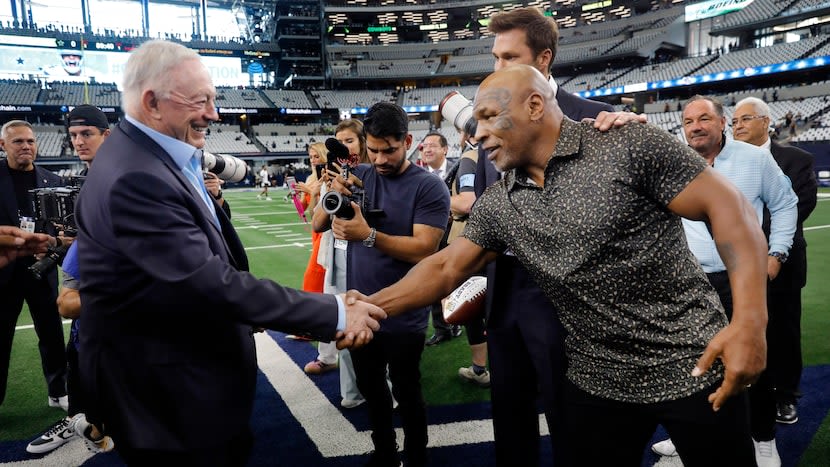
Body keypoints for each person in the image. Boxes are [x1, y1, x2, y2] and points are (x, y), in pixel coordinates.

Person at [356, 64, 769, 466]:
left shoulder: (625, 142)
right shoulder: (502, 202)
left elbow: (731, 209)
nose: (477, 132)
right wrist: (364, 308)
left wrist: (749, 322)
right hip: (596, 382)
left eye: (488, 117)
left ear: (535, 106)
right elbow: (445, 267)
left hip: (692, 364)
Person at [73, 40, 384, 465]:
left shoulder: (146, 158)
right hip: (172, 393)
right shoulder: (136, 176)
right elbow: (205, 283)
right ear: (153, 102)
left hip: (175, 375)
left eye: (213, 100)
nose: (214, 113)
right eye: (201, 101)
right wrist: (334, 314)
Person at [475, 7, 645, 466]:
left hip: (570, 299)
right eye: (494, 58)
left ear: (543, 60)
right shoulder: (489, 121)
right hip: (505, 290)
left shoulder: (598, 120)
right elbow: (486, 216)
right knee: (510, 425)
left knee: (576, 425)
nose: (497, 69)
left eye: (509, 58)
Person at [651, 95, 798, 467]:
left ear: (722, 123)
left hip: (742, 281)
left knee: (753, 362)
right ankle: (691, 435)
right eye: (688, 122)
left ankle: (763, 438)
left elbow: (785, 204)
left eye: (703, 119)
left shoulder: (755, 159)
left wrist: (776, 254)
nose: (695, 127)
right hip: (691, 284)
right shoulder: (671, 163)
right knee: (693, 363)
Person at [328, 102, 450, 466]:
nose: (379, 159)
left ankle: (416, 456)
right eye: (373, 149)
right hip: (359, 309)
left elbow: (424, 250)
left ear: (407, 141)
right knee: (371, 389)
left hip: (404, 311)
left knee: (407, 390)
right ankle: (384, 451)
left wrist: (368, 235)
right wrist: (332, 192)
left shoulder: (429, 187)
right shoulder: (359, 174)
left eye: (389, 150)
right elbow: (320, 223)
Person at [26, 105, 116, 455]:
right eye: (74, 135)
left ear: (106, 136)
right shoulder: (85, 180)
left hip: (121, 291)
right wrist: (59, 245)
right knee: (79, 349)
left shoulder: (122, 178)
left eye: (87, 134)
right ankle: (85, 420)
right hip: (91, 285)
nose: (78, 141)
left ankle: (94, 422)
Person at [732, 96, 818, 426]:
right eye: (734, 121)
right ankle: (742, 389)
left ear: (767, 121)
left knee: (783, 330)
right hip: (733, 263)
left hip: (780, 263)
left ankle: (785, 395)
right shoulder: (724, 161)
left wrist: (750, 236)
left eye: (745, 119)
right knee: (737, 326)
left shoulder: (797, 159)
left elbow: (796, 207)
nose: (737, 125)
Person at [0, 120, 69, 414]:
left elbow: (64, 227)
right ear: (3, 145)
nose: (26, 146)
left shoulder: (52, 179)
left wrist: (57, 240)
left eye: (30, 141)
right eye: (18, 142)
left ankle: (58, 390)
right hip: (4, 271)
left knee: (52, 333)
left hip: (42, 269)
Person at [444, 118, 490, 388]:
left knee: (471, 307)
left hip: (470, 241)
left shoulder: (470, 158)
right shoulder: (500, 154)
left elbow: (468, 202)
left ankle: (479, 369)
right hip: (498, 243)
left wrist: (440, 197)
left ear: (465, 134)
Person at [420, 131, 463, 346]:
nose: (427, 149)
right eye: (424, 146)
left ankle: (457, 321)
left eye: (432, 145)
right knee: (434, 282)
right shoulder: (418, 175)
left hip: (454, 233)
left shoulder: (460, 168)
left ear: (445, 149)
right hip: (429, 234)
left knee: (454, 280)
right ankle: (442, 328)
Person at [296, 142, 328, 295]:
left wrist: (310, 191)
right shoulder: (310, 178)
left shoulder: (328, 177)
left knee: (314, 274)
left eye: (317, 156)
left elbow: (328, 206)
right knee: (320, 272)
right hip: (316, 230)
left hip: (326, 230)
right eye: (310, 157)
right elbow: (304, 212)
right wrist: (297, 197)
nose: (314, 160)